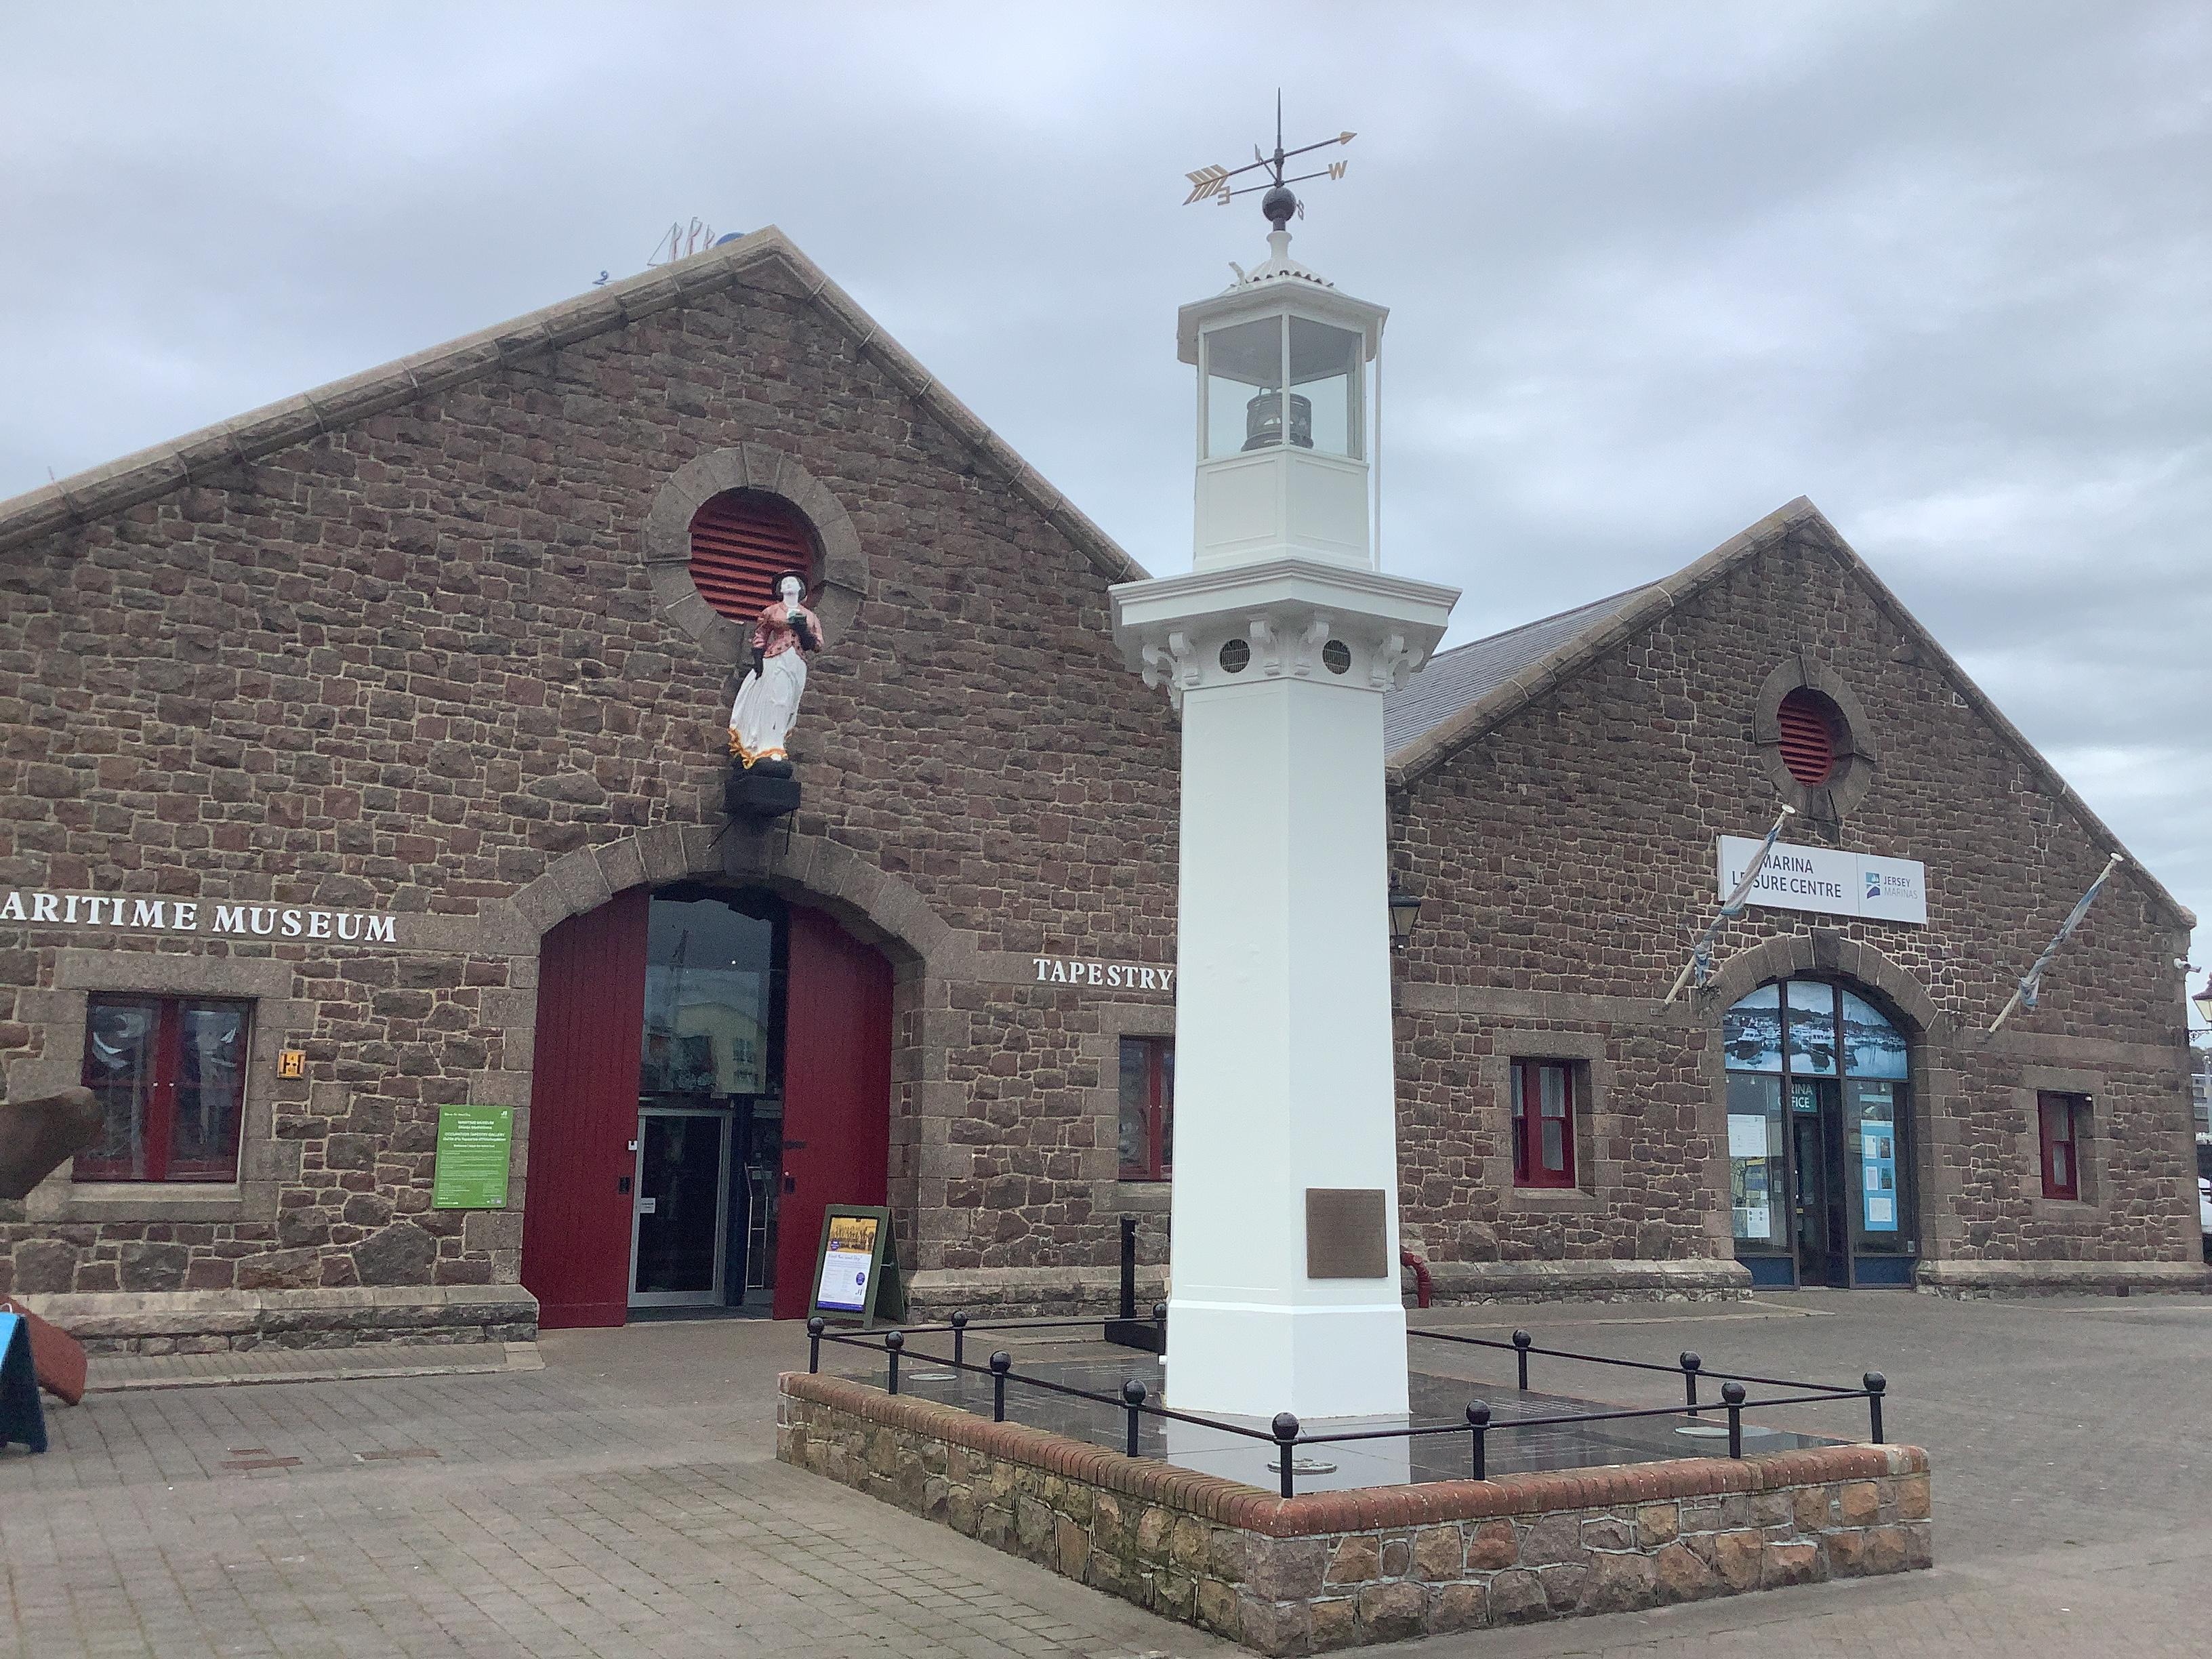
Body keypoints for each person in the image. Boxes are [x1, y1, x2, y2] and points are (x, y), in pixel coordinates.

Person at [727, 571, 823, 766]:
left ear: (800, 588)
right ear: (780, 590)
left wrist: (803, 631)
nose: (788, 585)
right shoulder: (772, 611)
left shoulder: (810, 616)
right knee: (776, 700)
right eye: (784, 583)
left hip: (797, 662)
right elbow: (761, 635)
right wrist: (758, 657)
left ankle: (778, 740)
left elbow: (817, 645)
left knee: (790, 705)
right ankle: (770, 746)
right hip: (777, 658)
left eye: (792, 582)